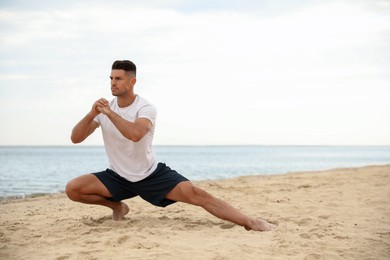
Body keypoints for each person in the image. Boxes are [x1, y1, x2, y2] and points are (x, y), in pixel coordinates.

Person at [65, 60, 276, 232]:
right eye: (111, 78)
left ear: (132, 81)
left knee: (197, 194)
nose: (113, 83)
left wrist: (110, 114)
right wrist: (93, 113)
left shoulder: (145, 108)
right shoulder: (104, 110)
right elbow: (76, 138)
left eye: (118, 79)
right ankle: (117, 206)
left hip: (151, 175)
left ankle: (250, 222)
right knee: (73, 189)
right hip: (118, 176)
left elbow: (135, 135)